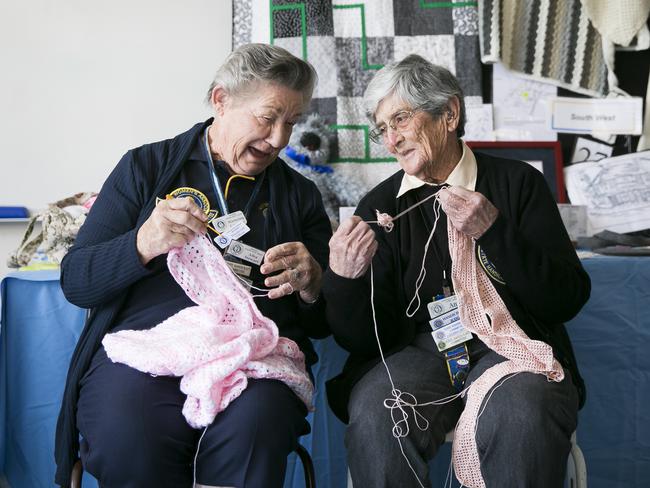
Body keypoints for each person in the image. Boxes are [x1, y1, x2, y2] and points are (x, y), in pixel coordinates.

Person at [54, 43, 332, 488]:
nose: (280, 139)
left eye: (291, 123)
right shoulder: (147, 168)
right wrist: (141, 243)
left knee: (258, 424)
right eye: (267, 117)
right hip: (143, 352)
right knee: (128, 430)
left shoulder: (299, 197)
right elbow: (77, 281)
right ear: (221, 101)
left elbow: (321, 323)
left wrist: (314, 284)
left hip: (252, 358)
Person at [322, 54, 590, 488]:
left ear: (449, 113)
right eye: (383, 128)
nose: (391, 140)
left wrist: (494, 232)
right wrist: (344, 279)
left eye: (401, 120)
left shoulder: (517, 183)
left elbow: (566, 298)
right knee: (379, 412)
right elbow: (367, 339)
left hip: (512, 346)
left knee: (523, 410)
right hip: (420, 353)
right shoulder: (382, 206)